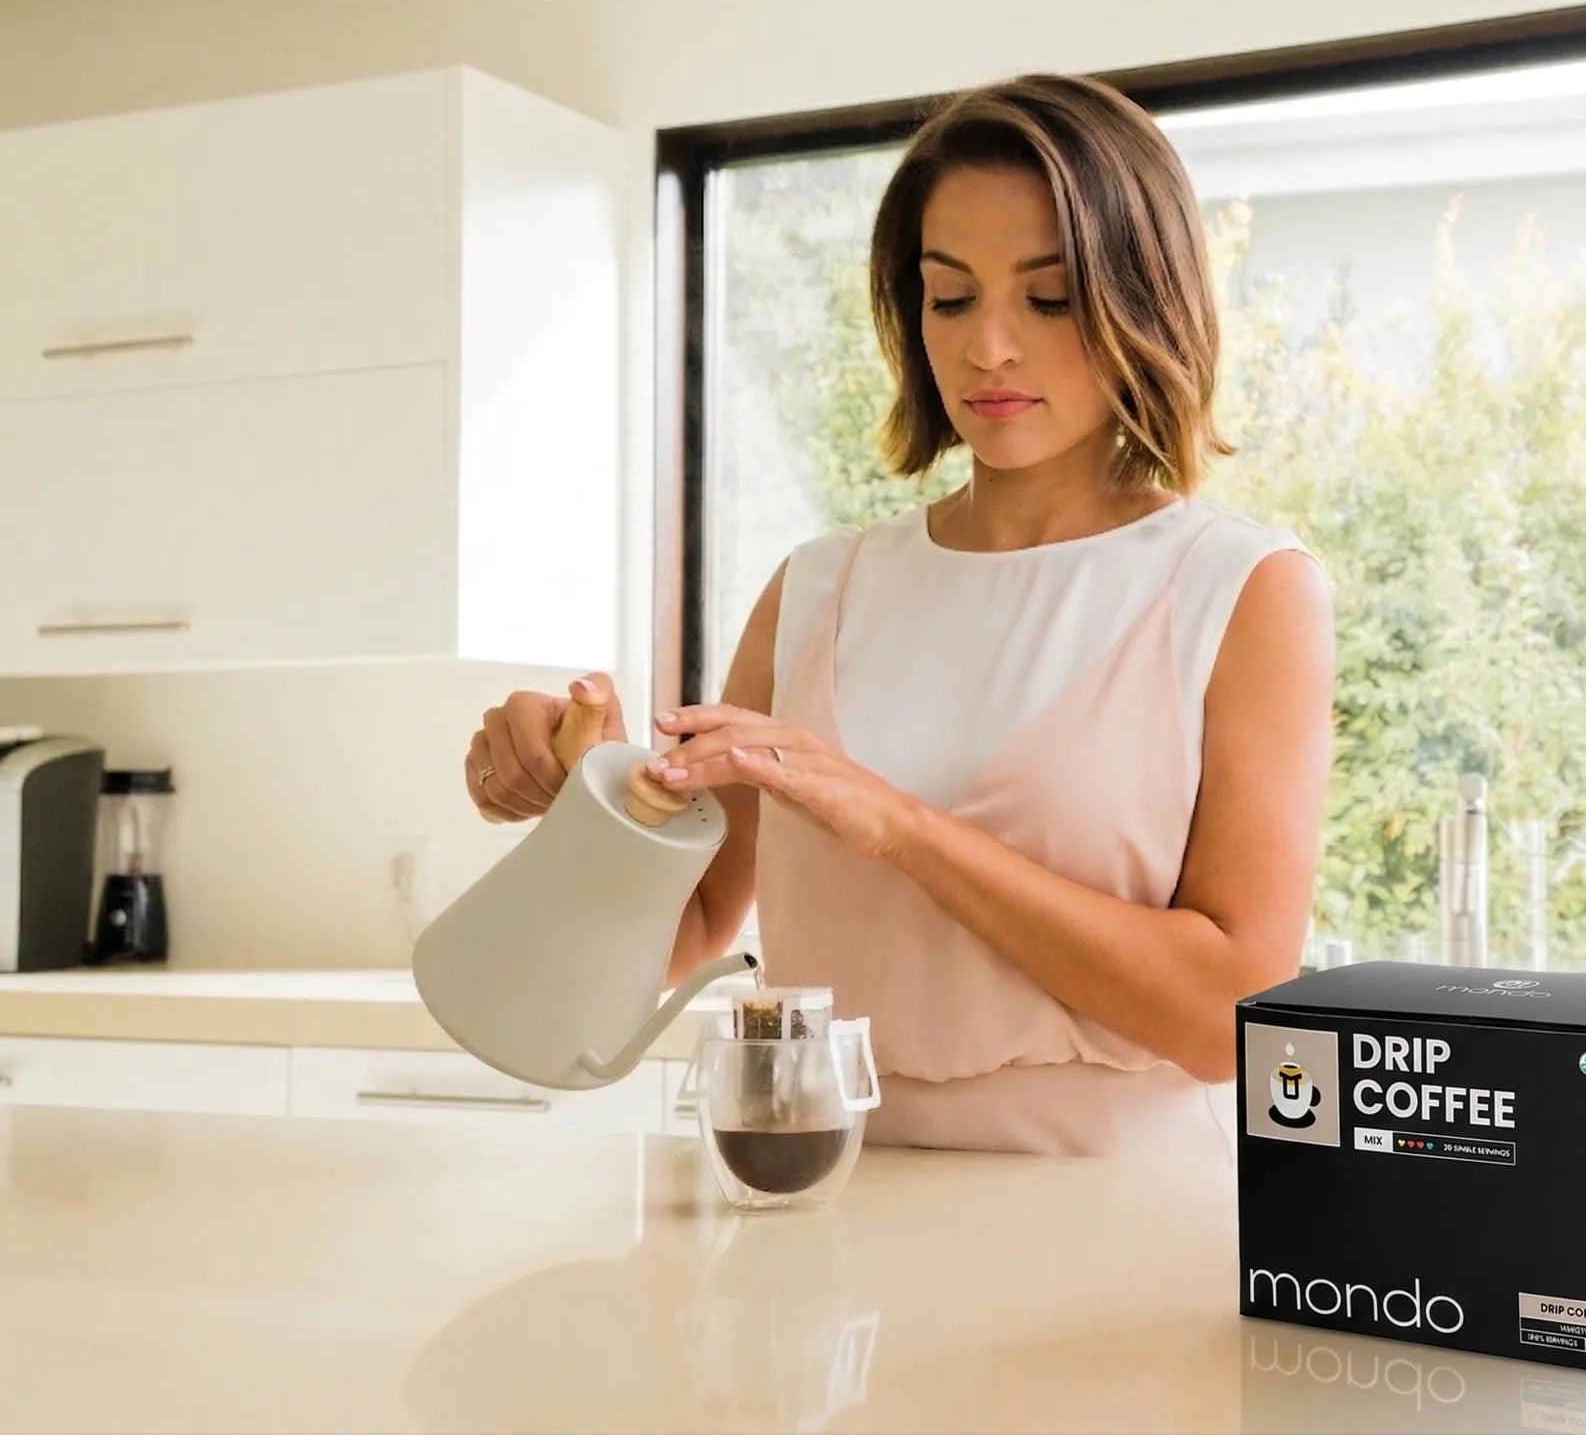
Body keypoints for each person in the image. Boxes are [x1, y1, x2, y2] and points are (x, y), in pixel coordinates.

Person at [465, 73, 1334, 1159]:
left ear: (1140, 300)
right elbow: (686, 933)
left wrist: (905, 829)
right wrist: (578, 802)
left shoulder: (1238, 588)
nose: (989, 349)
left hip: (1118, 1219)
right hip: (826, 1187)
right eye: (950, 295)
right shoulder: (819, 588)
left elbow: (1233, 1020)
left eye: (1048, 297)